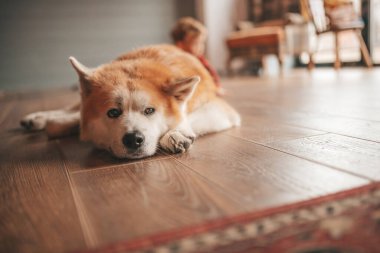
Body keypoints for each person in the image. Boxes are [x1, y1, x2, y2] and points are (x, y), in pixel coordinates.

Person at [171, 17, 225, 96]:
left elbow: (211, 74)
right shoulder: (176, 59)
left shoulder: (199, 59)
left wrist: (216, 87)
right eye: (196, 44)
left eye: (202, 43)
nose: (200, 47)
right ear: (180, 45)